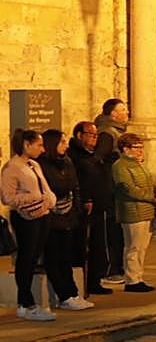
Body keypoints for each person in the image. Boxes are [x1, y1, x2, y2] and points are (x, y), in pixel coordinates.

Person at [2, 130, 58, 320]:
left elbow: (44, 187)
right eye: (39, 145)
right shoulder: (12, 167)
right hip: (25, 217)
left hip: (42, 214)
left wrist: (50, 199)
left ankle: (26, 303)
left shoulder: (34, 165)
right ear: (26, 145)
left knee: (34, 258)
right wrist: (34, 198)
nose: (42, 149)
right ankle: (27, 303)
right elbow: (7, 197)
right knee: (26, 258)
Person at [36, 129, 91, 310]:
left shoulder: (67, 162)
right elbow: (56, 187)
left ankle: (73, 293)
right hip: (52, 217)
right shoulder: (42, 165)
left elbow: (74, 185)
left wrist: (76, 209)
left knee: (66, 257)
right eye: (62, 142)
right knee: (54, 258)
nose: (66, 146)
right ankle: (64, 295)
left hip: (68, 215)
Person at [111, 133, 156, 293]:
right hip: (133, 211)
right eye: (137, 147)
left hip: (146, 210)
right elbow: (127, 188)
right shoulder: (120, 166)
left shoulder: (139, 164)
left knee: (142, 247)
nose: (141, 150)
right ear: (125, 148)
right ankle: (132, 279)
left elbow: (151, 181)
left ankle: (139, 277)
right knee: (133, 247)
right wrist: (151, 197)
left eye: (141, 147)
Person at [67, 121, 113, 296]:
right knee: (82, 246)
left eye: (96, 135)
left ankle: (95, 280)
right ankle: (82, 283)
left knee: (97, 246)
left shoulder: (94, 156)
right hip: (84, 209)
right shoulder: (74, 156)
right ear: (80, 135)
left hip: (99, 206)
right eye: (91, 135)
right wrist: (86, 198)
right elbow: (77, 181)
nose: (95, 138)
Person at [94, 131, 126, 284]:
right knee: (111, 240)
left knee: (116, 240)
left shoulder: (112, 163)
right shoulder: (102, 163)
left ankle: (116, 268)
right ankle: (111, 270)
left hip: (113, 205)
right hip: (109, 205)